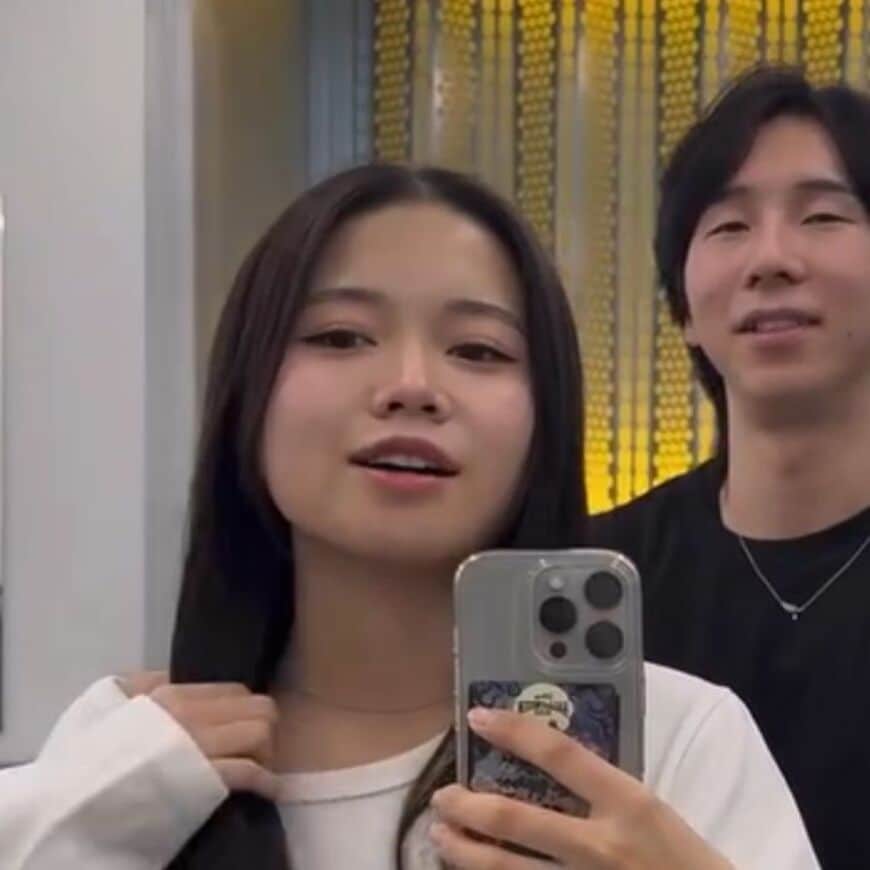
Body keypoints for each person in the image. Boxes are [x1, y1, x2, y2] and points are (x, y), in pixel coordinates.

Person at [1, 164, 816, 869]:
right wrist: (92, 800)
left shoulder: (675, 742)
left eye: (479, 350)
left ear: (545, 418)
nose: (413, 385)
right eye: (339, 336)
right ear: (248, 396)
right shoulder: (131, 749)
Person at [589, 66, 870, 869]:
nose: (771, 259)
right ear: (682, 308)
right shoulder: (597, 582)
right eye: (728, 227)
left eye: (822, 216)